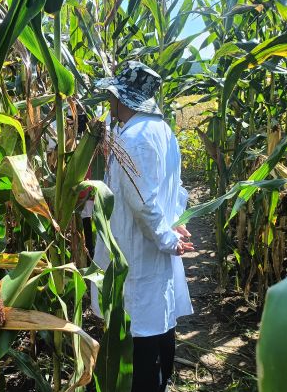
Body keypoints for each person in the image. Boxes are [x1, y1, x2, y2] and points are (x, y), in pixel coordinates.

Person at [90, 61, 194, 392]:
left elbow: (143, 203)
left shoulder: (133, 138)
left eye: (112, 95)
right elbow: (176, 189)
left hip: (135, 250)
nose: (110, 102)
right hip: (154, 246)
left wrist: (167, 238)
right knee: (159, 323)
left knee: (139, 334)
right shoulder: (163, 131)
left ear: (124, 98)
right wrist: (174, 225)